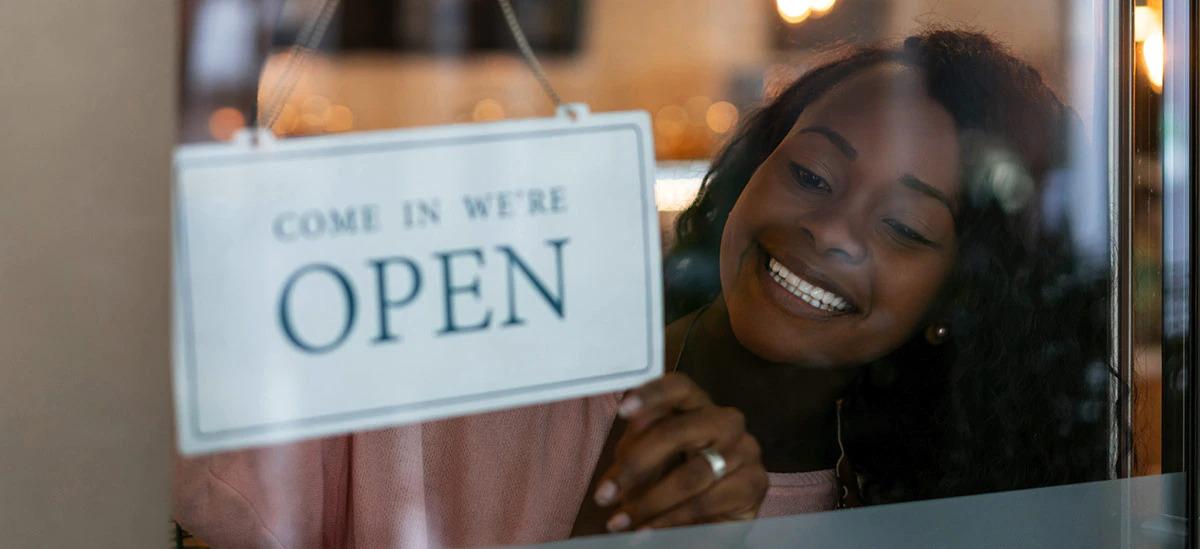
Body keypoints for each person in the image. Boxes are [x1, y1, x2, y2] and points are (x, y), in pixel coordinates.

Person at [174, 29, 1112, 547]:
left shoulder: (910, 522)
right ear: (751, 170)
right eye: (813, 175)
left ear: (960, 300)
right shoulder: (469, 352)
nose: (827, 230)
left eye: (905, 227)